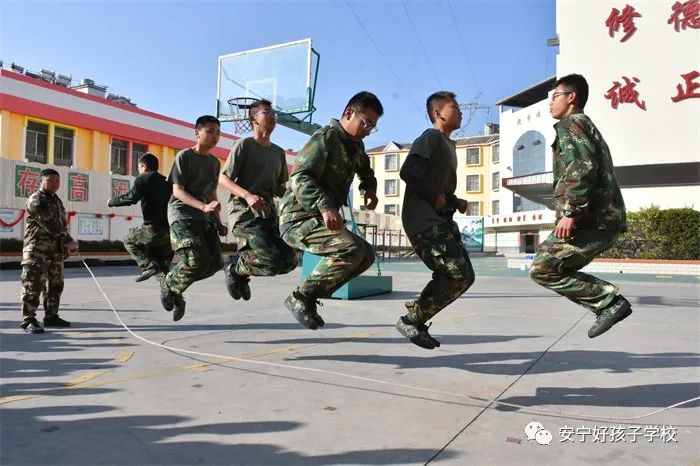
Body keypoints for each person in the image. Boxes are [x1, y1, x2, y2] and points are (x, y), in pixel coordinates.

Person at [529, 73, 631, 338]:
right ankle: (607, 304)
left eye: (555, 96)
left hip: (590, 219)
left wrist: (571, 212)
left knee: (542, 268)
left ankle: (609, 302)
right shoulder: (585, 125)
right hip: (602, 219)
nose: (551, 103)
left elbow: (581, 167)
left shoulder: (571, 124)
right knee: (554, 268)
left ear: (571, 97)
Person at [278, 91, 382, 330]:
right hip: (298, 218)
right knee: (351, 248)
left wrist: (370, 190)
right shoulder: (325, 138)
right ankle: (300, 297)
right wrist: (325, 206)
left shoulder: (356, 146)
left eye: (373, 127)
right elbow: (300, 177)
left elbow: (366, 171)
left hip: (319, 219)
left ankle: (309, 297)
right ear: (349, 113)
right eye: (366, 123)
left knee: (366, 255)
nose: (368, 130)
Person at [395, 91, 475, 349]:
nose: (460, 111)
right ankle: (412, 320)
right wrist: (434, 195)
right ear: (438, 113)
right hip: (423, 221)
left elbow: (438, 188)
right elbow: (409, 171)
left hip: (440, 220)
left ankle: (414, 319)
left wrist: (454, 201)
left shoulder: (449, 145)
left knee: (464, 276)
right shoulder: (430, 137)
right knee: (458, 274)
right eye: (455, 107)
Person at [219, 99, 297, 301]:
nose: (272, 116)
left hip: (267, 214)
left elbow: (279, 188)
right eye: (266, 112)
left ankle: (241, 273)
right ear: (253, 119)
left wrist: (297, 198)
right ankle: (235, 270)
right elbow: (223, 178)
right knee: (270, 261)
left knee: (289, 261)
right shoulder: (244, 145)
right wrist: (247, 195)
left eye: (273, 113)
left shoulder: (278, 152)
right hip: (244, 214)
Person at [160, 115, 228, 321]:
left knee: (215, 264)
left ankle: (174, 289)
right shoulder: (184, 156)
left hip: (204, 217)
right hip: (182, 214)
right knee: (196, 260)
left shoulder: (214, 163)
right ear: (197, 133)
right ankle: (170, 285)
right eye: (210, 131)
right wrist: (204, 206)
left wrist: (218, 221)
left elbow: (212, 193)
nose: (215, 136)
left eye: (218, 132)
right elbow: (178, 191)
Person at [20, 168, 79, 334]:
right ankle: (29, 320)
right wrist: (69, 240)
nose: (54, 184)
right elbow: (49, 223)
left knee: (56, 285)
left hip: (55, 252)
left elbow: (61, 225)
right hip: (37, 251)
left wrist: (64, 246)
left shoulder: (57, 201)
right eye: (50, 180)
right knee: (33, 285)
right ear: (41, 181)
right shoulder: (36, 200)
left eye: (57, 181)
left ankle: (51, 316)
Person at [108, 152, 173, 283]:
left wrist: (112, 201)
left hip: (152, 229)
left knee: (129, 241)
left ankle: (147, 266)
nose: (138, 171)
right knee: (163, 271)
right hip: (168, 232)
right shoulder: (167, 181)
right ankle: (171, 295)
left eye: (138, 168)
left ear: (144, 166)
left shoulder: (143, 179)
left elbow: (132, 198)